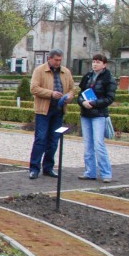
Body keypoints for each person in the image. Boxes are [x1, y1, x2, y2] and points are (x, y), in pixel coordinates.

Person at [29, 49, 75, 179]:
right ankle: (34, 168)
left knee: (54, 140)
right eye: (56, 60)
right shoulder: (39, 70)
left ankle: (48, 167)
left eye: (60, 60)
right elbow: (34, 88)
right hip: (43, 111)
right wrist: (51, 93)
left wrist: (69, 96)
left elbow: (72, 89)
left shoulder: (66, 72)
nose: (58, 62)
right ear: (49, 59)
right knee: (40, 139)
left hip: (58, 110)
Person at [77, 53, 117, 183]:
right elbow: (80, 94)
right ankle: (90, 172)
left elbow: (109, 98)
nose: (95, 64)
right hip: (86, 114)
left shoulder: (108, 78)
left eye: (98, 62)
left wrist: (94, 103)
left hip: (99, 115)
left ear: (104, 64)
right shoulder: (88, 77)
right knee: (88, 144)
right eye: (94, 61)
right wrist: (83, 102)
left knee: (99, 144)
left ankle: (106, 173)